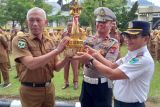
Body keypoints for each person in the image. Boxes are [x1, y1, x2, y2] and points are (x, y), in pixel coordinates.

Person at [74, 20, 154, 107]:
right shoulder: (132, 54)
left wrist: (91, 59)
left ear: (146, 38)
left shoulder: (142, 59)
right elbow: (112, 66)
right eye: (127, 36)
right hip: (119, 102)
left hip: (132, 104)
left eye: (134, 37)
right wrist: (96, 54)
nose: (128, 40)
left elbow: (112, 74)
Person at [12, 7, 70, 107]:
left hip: (49, 89)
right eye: (31, 20)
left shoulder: (49, 41)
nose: (35, 23)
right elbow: (31, 64)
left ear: (45, 22)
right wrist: (57, 50)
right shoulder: (20, 40)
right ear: (27, 22)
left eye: (38, 20)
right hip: (30, 91)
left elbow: (57, 67)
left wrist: (68, 57)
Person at [76, 7, 120, 107]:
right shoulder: (87, 40)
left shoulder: (113, 43)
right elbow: (79, 57)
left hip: (102, 86)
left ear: (111, 24)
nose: (101, 24)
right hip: (86, 84)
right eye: (99, 21)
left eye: (104, 22)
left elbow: (109, 65)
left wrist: (91, 58)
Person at [61, 21, 79, 90]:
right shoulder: (64, 34)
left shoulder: (76, 34)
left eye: (71, 25)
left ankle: (75, 82)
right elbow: (61, 43)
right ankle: (66, 82)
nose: (70, 27)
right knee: (65, 69)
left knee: (75, 69)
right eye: (68, 25)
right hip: (66, 54)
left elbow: (79, 43)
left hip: (74, 54)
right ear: (66, 26)